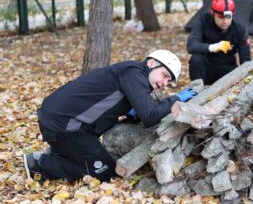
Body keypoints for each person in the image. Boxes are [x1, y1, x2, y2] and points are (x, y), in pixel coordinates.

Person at [23, 50, 198, 183]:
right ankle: (40, 164)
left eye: (169, 82)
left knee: (101, 164)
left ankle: (60, 152)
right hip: (63, 126)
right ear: (151, 63)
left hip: (62, 121)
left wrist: (129, 110)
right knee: (105, 172)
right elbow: (150, 116)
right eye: (165, 75)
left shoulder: (132, 74)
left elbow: (111, 103)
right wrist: (176, 99)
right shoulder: (134, 73)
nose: (164, 84)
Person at [187, 0, 251, 85]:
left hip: (227, 69)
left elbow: (246, 61)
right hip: (207, 67)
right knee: (196, 59)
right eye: (221, 17)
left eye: (228, 17)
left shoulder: (239, 29)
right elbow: (191, 46)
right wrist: (214, 47)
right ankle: (196, 92)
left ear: (233, 14)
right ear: (213, 14)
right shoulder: (203, 21)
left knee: (239, 72)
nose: (225, 21)